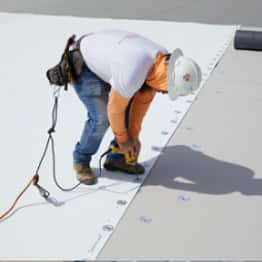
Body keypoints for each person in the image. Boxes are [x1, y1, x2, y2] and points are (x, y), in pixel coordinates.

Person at [46, 29, 202, 185]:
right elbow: (114, 111)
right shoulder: (133, 71)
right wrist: (124, 141)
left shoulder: (162, 65)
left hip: (111, 60)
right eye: (170, 90)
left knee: (125, 108)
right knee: (102, 118)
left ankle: (117, 160)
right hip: (83, 63)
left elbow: (140, 104)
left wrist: (133, 137)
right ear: (168, 82)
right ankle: (81, 160)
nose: (165, 93)